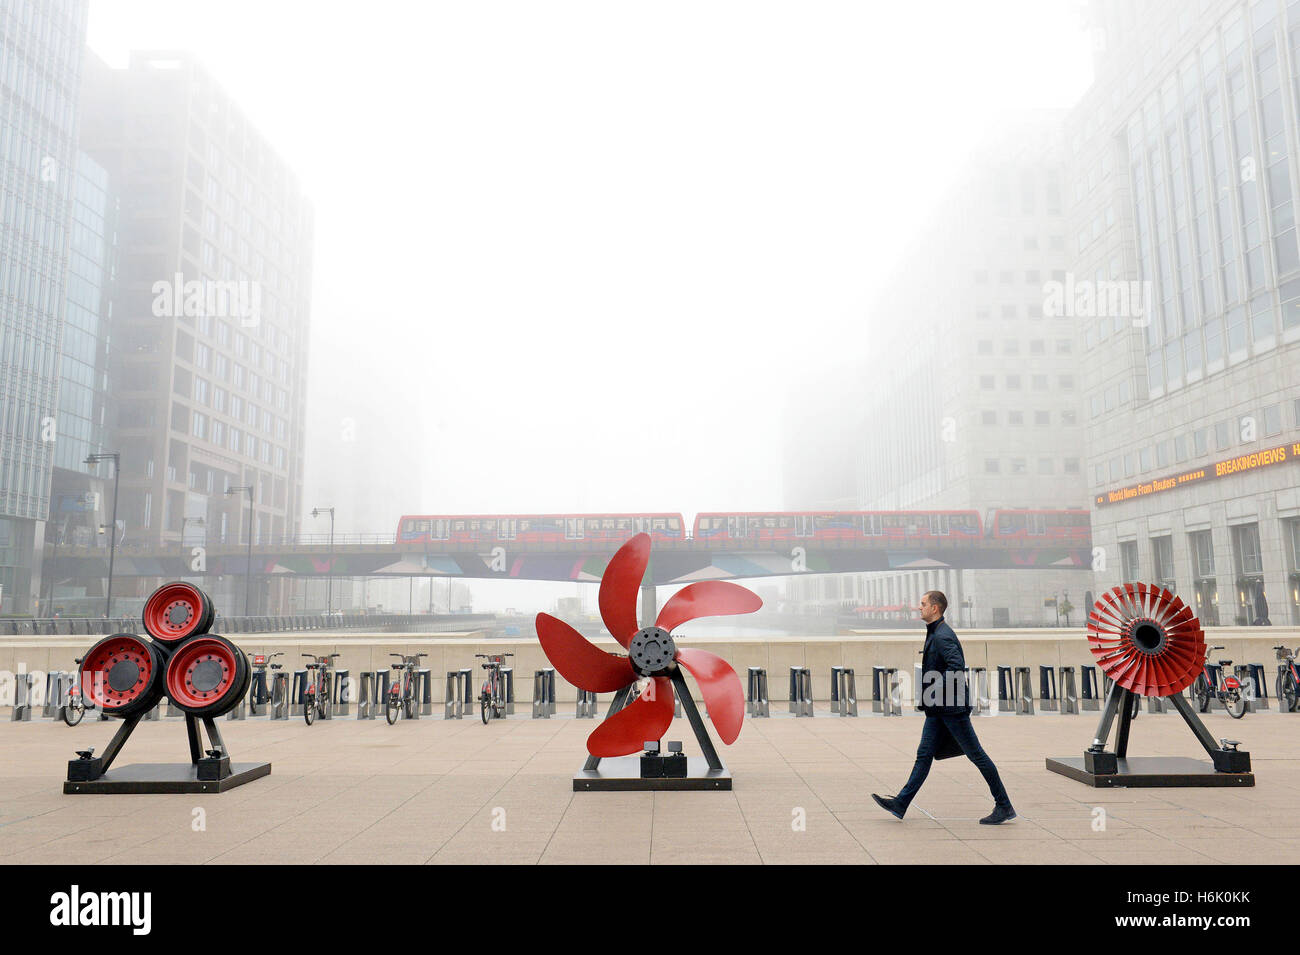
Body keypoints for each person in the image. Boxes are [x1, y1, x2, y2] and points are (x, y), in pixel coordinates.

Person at [871, 590, 1016, 825]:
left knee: (977, 755)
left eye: (923, 604)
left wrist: (932, 690)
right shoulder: (936, 632)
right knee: (924, 755)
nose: (919, 607)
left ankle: (1004, 805)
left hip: (951, 708)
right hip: (939, 708)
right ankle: (901, 803)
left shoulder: (942, 636)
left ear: (935, 608)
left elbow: (956, 667)